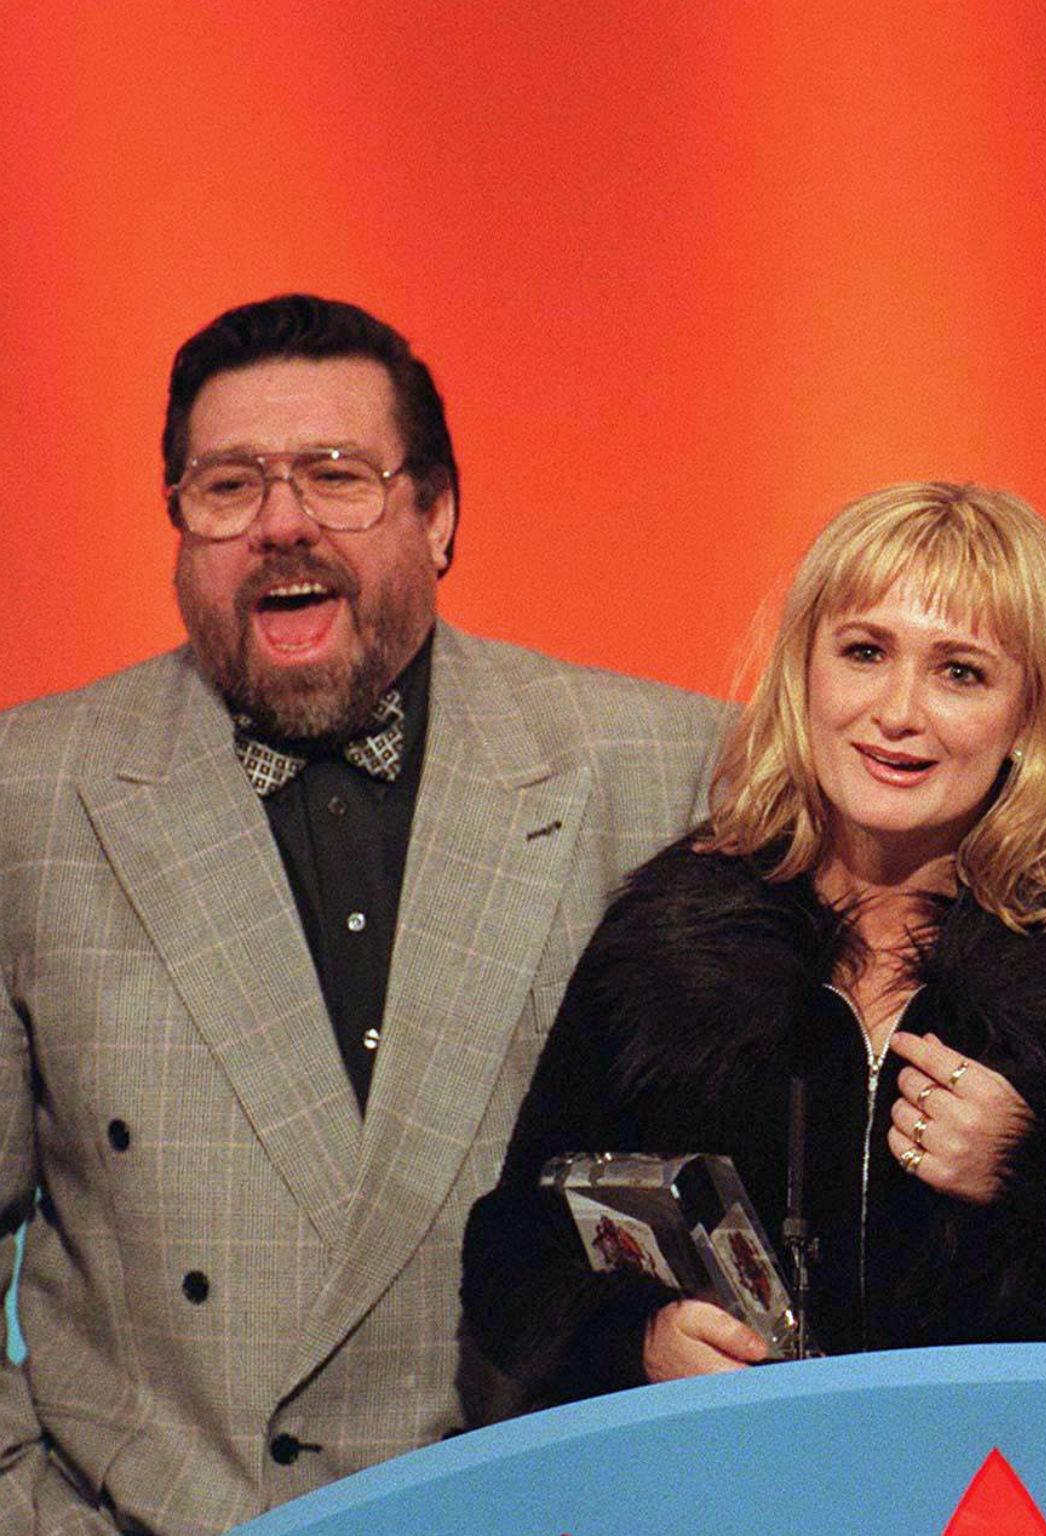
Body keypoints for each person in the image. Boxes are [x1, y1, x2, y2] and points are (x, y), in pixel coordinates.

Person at [0, 294, 726, 1533]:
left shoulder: (661, 764)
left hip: (542, 1512)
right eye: (228, 485)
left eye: (336, 476)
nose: (282, 524)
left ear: (436, 514)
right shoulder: (34, 791)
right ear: (177, 525)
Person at [462, 481, 1046, 1403]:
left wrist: (1032, 1180)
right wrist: (642, 1339)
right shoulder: (670, 937)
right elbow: (513, 1254)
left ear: (1030, 714)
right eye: (865, 652)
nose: (897, 711)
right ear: (806, 674)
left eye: (960, 672)